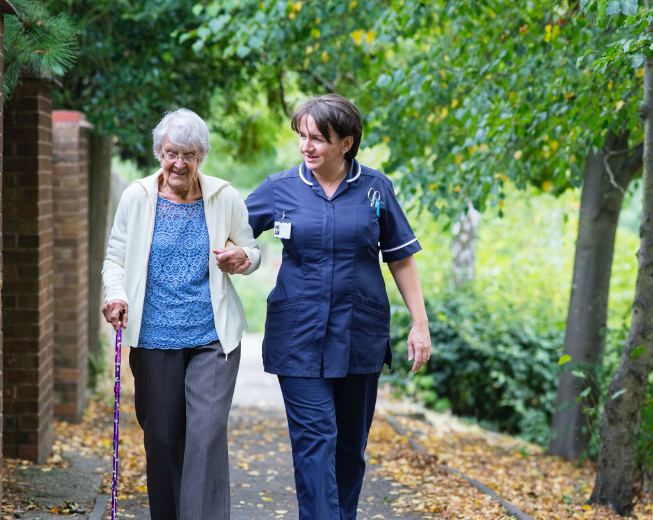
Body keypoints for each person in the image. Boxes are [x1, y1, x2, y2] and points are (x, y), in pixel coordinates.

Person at [243, 94, 432, 520]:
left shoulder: (375, 189)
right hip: (298, 338)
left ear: (346, 143)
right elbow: (232, 229)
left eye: (318, 139)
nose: (306, 147)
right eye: (302, 137)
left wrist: (419, 324)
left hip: (358, 336)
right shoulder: (280, 187)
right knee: (316, 441)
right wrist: (239, 254)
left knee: (349, 447)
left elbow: (400, 258)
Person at [101, 108, 259, 520]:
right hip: (153, 338)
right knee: (164, 441)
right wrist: (115, 296)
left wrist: (243, 258)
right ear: (159, 152)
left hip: (212, 338)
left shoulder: (223, 196)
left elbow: (252, 250)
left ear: (201, 156)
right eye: (172, 152)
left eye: (189, 154)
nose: (179, 163)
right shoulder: (137, 197)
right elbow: (114, 260)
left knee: (205, 437)